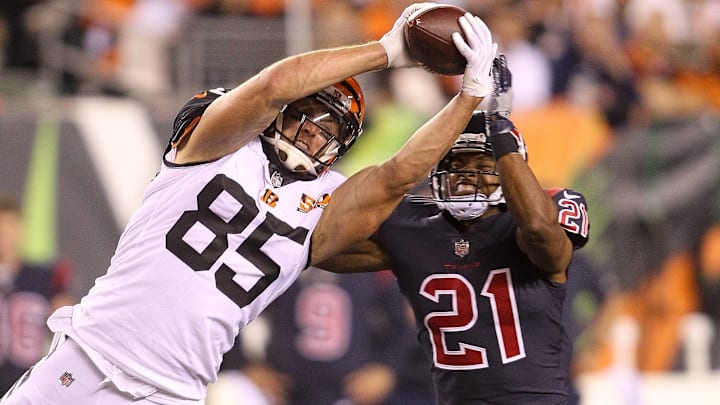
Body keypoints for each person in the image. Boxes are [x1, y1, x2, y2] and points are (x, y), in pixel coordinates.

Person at [1, 3, 499, 404]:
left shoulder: (327, 200)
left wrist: (468, 96)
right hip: (92, 354)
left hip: (175, 389)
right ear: (282, 116)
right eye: (306, 114)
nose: (312, 131)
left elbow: (395, 177)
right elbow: (272, 87)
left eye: (329, 127)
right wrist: (387, 49)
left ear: (341, 146)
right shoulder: (219, 147)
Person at [318, 59, 591, 404]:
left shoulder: (544, 213)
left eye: (481, 164)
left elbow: (538, 230)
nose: (466, 175)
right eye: (456, 165)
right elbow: (320, 248)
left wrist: (502, 132)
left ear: (511, 166)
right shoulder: (415, 227)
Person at [212, 269, 434, 405]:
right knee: (228, 390)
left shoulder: (369, 267)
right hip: (280, 391)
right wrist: (245, 366)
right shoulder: (284, 257)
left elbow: (406, 329)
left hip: (351, 392)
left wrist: (388, 370)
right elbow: (230, 309)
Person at [0, 195, 75, 393]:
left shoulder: (44, 277)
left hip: (25, 382)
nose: (5, 234)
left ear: (21, 229)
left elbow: (66, 329)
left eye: (10, 226)